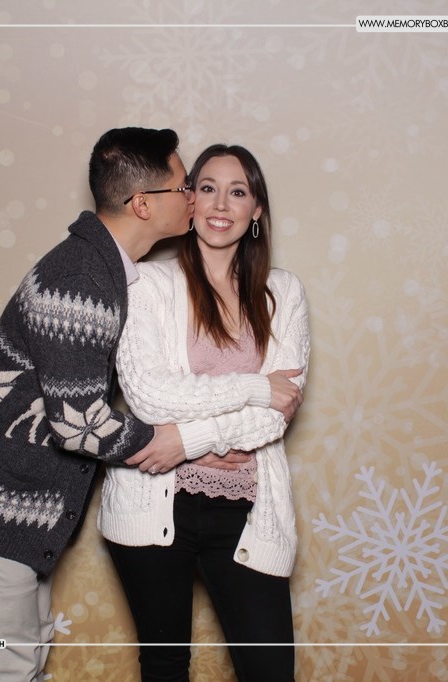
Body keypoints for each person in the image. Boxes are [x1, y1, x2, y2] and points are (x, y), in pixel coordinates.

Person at [0, 127, 195, 681]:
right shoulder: (82, 282)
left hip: (2, 494)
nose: (193, 198)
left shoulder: (101, 267)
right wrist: (171, 441)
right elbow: (77, 425)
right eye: (184, 187)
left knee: (28, 648)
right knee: (12, 664)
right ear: (143, 203)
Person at [99, 144, 310, 681]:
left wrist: (186, 441)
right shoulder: (146, 283)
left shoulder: (284, 293)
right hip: (154, 501)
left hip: (249, 508)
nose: (220, 204)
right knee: (165, 666)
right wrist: (255, 387)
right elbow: (149, 396)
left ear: (256, 209)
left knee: (269, 672)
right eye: (208, 188)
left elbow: (278, 411)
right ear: (189, 199)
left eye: (237, 191)